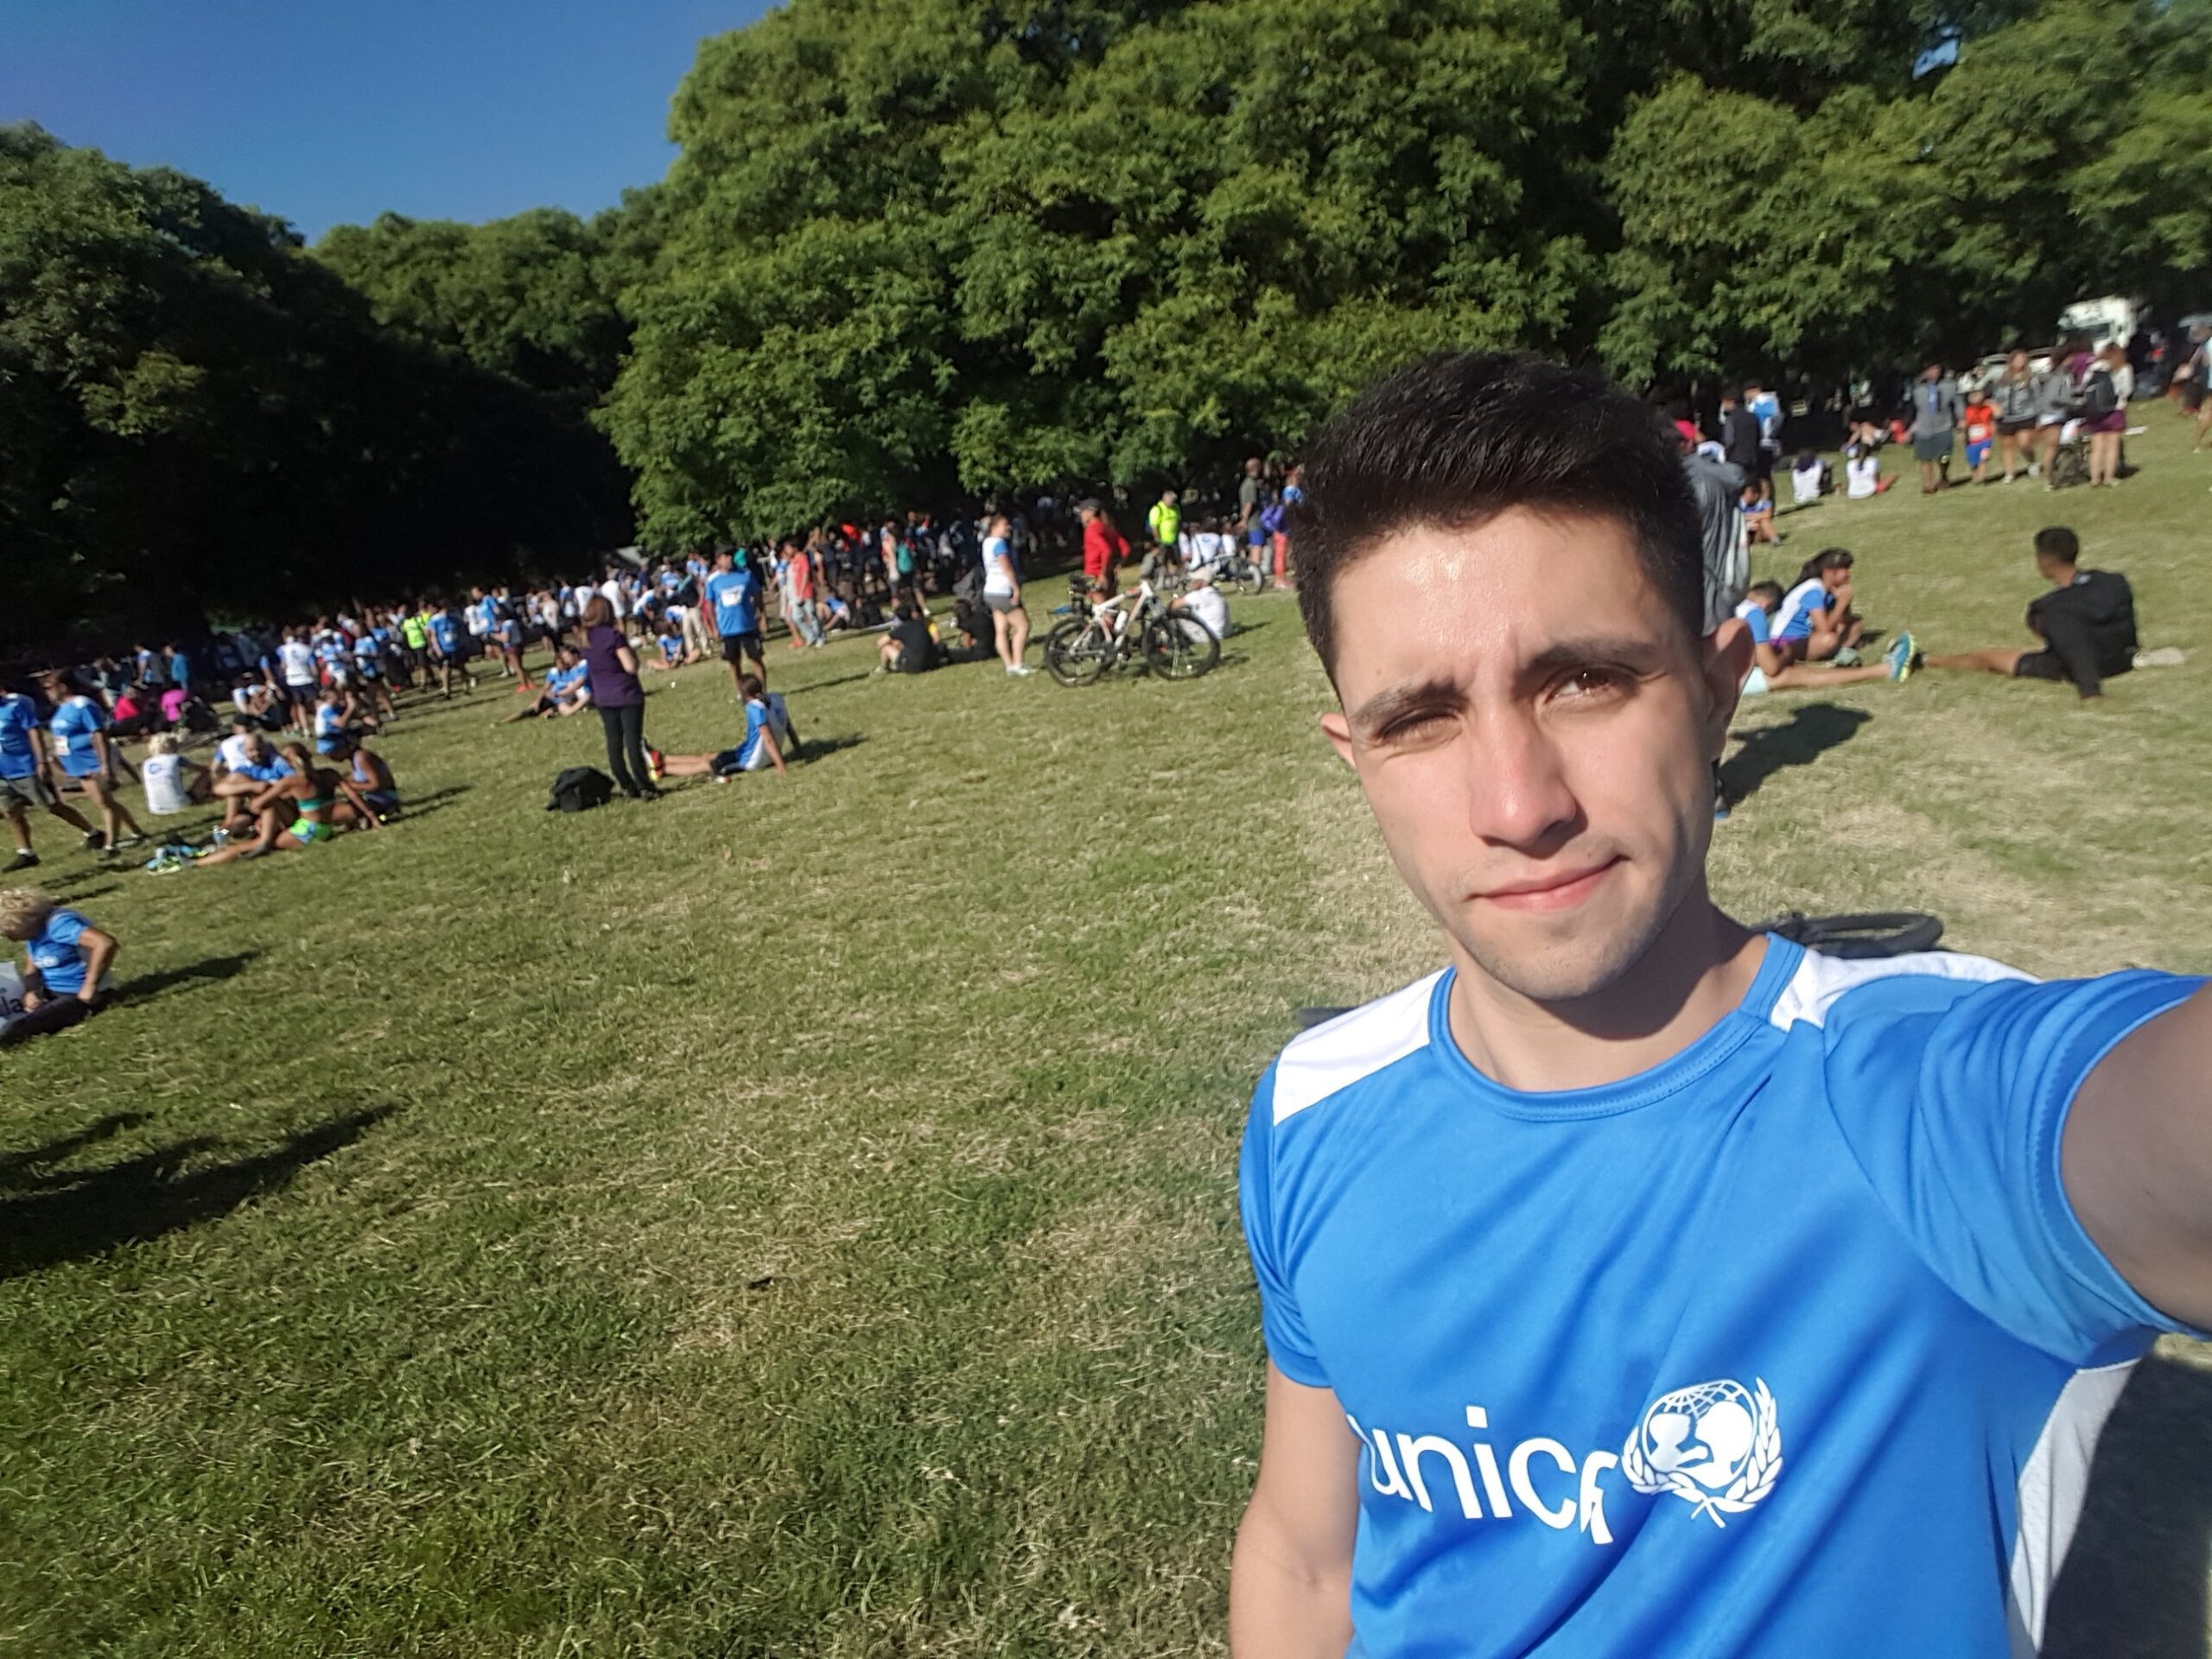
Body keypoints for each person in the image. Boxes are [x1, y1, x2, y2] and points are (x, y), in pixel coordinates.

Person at [1229, 350, 2212, 1659]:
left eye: (1583, 679)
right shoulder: (1313, 1108)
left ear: (1716, 690)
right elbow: (1305, 1555)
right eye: (1421, 717)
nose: (1518, 806)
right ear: (1356, 754)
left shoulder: (1931, 1108)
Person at [1923, 526, 2138, 700]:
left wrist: (2091, 692)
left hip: (2088, 666)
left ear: (2044, 560)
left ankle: (1926, 659)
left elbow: (2075, 648)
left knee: (1988, 658)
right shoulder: (2114, 581)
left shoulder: (2052, 607)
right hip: (2122, 660)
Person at [188, 741, 381, 866]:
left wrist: (254, 792)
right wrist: (372, 817)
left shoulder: (288, 780)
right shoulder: (328, 774)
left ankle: (200, 859)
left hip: (302, 828)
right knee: (258, 814)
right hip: (322, 826)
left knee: (249, 839)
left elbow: (253, 803)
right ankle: (226, 838)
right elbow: (353, 795)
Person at [1733, 581, 1912, 693]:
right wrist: (1787, 653)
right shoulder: (1753, 613)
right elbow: (1771, 668)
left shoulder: (1727, 606)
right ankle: (1885, 669)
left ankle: (1884, 669)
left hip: (1718, 676)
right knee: (1788, 675)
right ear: (1765, 604)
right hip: (1724, 683)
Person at [41, 671, 147, 852]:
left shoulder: (82, 705)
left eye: (49, 687)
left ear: (63, 687)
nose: (47, 692)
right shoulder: (62, 709)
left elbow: (98, 734)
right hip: (77, 763)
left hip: (92, 759)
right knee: (104, 801)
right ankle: (136, 832)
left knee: (104, 803)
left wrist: (104, 764)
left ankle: (111, 844)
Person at [0, 683, 100, 872]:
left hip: (24, 766)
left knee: (52, 805)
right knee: (11, 811)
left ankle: (92, 832)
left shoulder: (15, 706)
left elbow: (33, 731)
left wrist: (41, 761)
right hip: (3, 771)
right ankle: (26, 852)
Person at [0, 887, 118, 1045]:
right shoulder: (34, 931)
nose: (12, 940)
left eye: (10, 934)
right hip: (50, 992)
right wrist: (31, 990)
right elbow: (33, 958)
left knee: (16, 1030)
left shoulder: (60, 925)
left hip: (79, 996)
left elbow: (105, 943)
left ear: (25, 922)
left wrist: (90, 985)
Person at [645, 675, 791, 784]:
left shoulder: (755, 708)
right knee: (710, 756)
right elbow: (787, 725)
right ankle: (662, 758)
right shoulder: (775, 699)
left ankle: (663, 769)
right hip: (748, 751)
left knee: (707, 765)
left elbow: (768, 739)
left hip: (751, 760)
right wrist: (797, 747)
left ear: (746, 694)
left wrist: (781, 767)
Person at [579, 595, 656, 800]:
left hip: (603, 696)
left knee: (614, 743)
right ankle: (645, 785)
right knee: (633, 741)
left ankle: (626, 784)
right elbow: (630, 666)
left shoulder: (585, 638)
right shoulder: (614, 636)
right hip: (626, 693)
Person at [1770, 548, 1865, 664]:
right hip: (1785, 642)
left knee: (1856, 624)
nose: (1849, 573)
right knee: (1829, 640)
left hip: (1806, 638)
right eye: (1845, 569)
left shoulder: (1828, 591)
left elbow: (1842, 621)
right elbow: (1824, 630)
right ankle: (1837, 651)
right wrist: (1841, 604)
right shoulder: (1813, 590)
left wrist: (1842, 602)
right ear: (1829, 572)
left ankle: (1838, 651)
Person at [704, 547, 767, 696]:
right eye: (725, 556)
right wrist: (714, 627)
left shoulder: (745, 575)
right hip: (727, 629)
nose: (729, 559)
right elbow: (710, 605)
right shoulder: (713, 580)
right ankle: (742, 692)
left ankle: (762, 691)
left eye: (731, 555)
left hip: (748, 625)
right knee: (734, 663)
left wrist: (763, 616)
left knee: (756, 659)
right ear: (718, 560)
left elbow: (757, 595)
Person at [980, 512, 1034, 676]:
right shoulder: (999, 544)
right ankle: (1018, 663)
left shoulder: (986, 543)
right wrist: (1015, 588)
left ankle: (1009, 665)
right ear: (994, 527)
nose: (1008, 528)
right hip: (1003, 591)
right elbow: (1006, 567)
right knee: (1023, 626)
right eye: (1005, 525)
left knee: (1001, 629)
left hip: (990, 590)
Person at [1908, 359, 1963, 493]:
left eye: (1937, 368)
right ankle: (1928, 484)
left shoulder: (1950, 386)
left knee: (1944, 456)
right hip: (1923, 428)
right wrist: (1909, 429)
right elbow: (1912, 410)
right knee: (1925, 458)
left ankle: (1943, 475)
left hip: (1943, 426)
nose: (1935, 372)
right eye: (1931, 369)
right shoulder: (1917, 389)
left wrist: (1961, 418)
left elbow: (1958, 403)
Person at [2078, 342, 2127, 488]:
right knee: (2112, 446)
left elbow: (2084, 387)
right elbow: (2126, 390)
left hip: (2094, 411)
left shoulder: (2092, 369)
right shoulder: (2122, 368)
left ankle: (2095, 479)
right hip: (2115, 409)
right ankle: (2109, 478)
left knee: (2096, 446)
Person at [1993, 350, 2042, 481]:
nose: (2019, 362)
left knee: (2024, 444)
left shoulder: (2031, 378)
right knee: (2007, 446)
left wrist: (2039, 416)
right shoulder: (2002, 379)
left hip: (2026, 415)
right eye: (2017, 360)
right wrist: (1995, 407)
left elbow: (2038, 397)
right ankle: (2009, 473)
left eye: (2022, 360)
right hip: (2005, 417)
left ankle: (2032, 462)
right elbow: (1994, 396)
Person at [141, 732, 213, 818]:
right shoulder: (176, 759)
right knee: (208, 772)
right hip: (179, 804)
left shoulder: (146, 763)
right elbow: (202, 769)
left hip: (155, 808)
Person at [1078, 499, 1128, 597]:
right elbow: (1126, 548)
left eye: (1082, 512)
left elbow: (1106, 550)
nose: (1081, 515)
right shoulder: (1108, 528)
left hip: (1095, 575)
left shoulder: (1091, 529)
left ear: (1091, 512)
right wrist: (1119, 564)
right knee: (1113, 605)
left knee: (1102, 606)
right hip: (1110, 574)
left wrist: (1102, 574)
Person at [876, 601, 938, 675]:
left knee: (886, 648)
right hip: (931, 662)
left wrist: (892, 641)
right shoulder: (921, 624)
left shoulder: (901, 628)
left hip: (912, 666)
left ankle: (884, 668)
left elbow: (880, 643)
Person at [1961, 386, 1997, 483]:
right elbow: (1965, 425)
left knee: (1983, 459)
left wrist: (1992, 430)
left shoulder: (1987, 409)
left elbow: (1993, 419)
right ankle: (1975, 476)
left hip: (1985, 439)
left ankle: (1982, 477)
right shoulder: (1968, 411)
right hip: (1972, 441)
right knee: (1973, 462)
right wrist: (1964, 434)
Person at [1147, 488, 1183, 563]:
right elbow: (1154, 526)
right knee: (1162, 560)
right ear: (1164, 499)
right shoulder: (1157, 509)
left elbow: (1179, 521)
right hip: (1163, 541)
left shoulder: (1176, 508)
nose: (1172, 502)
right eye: (1171, 501)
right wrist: (1157, 539)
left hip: (1175, 540)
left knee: (1176, 560)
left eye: (1173, 501)